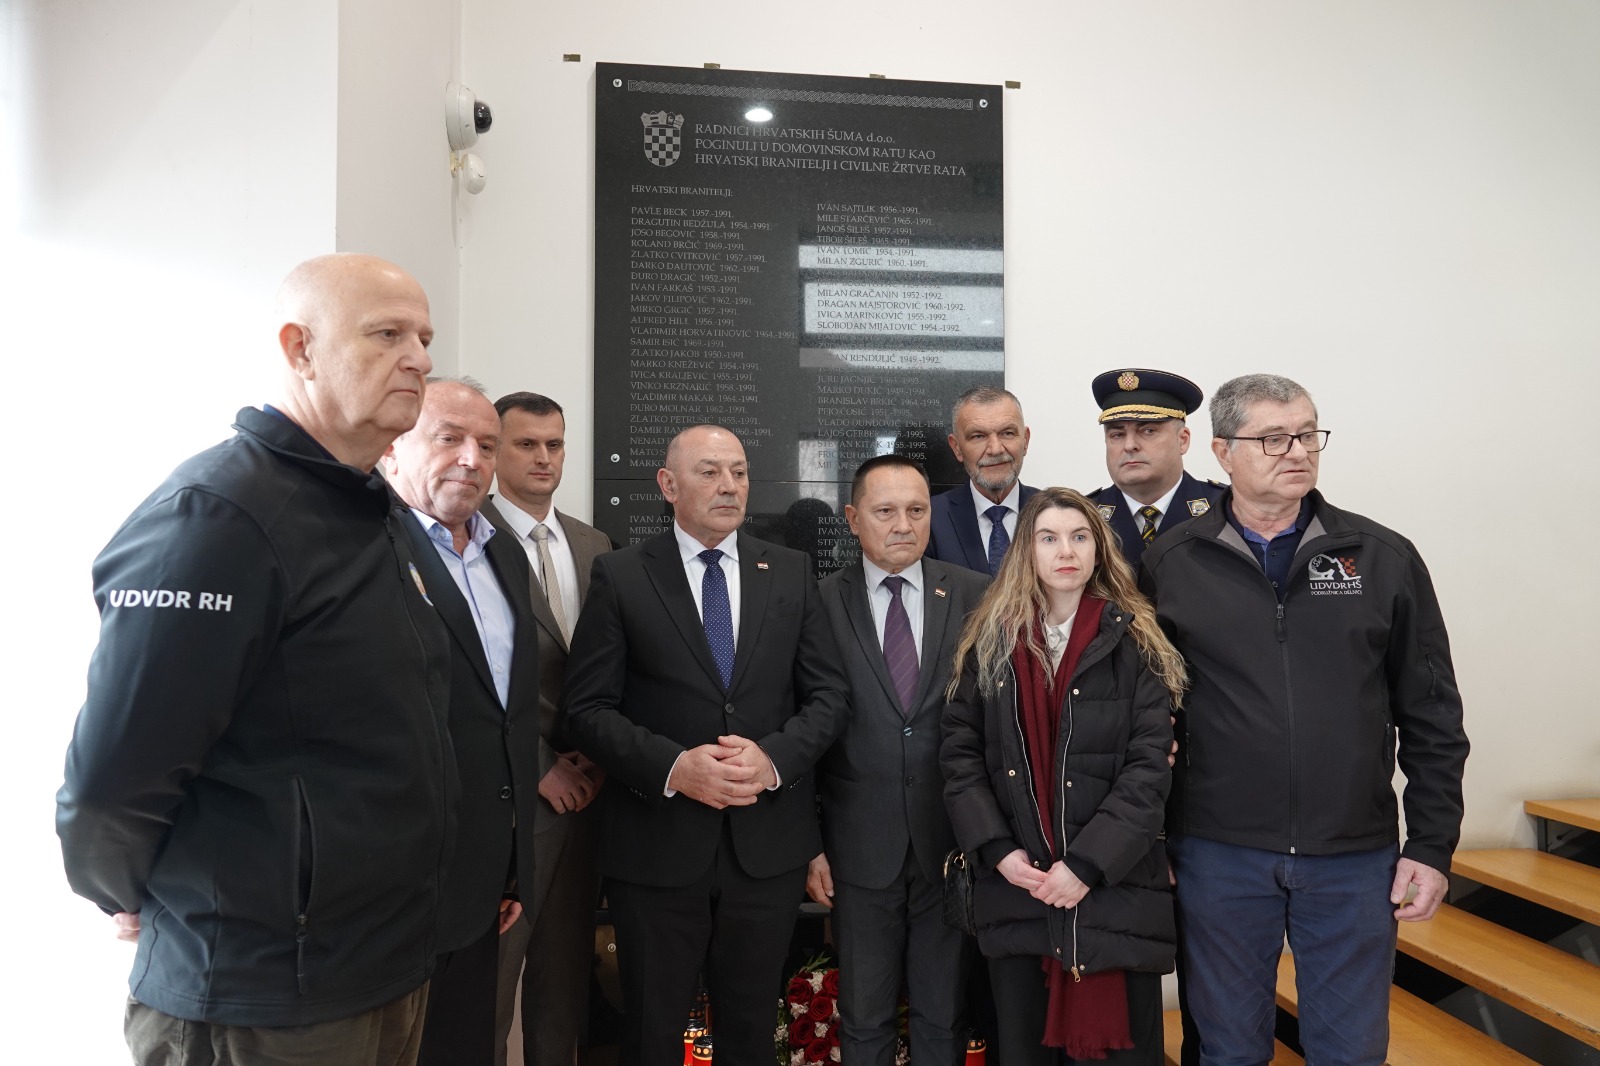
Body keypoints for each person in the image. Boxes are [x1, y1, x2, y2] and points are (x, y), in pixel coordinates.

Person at [56, 254, 454, 1065]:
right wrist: (123, 892)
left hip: (378, 967)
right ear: (300, 348)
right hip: (260, 991)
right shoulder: (220, 516)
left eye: (424, 338)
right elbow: (114, 779)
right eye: (386, 334)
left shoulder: (370, 509)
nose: (418, 358)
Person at [1141, 374, 1469, 1066]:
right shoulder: (1171, 562)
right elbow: (1143, 720)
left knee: (1350, 1052)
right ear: (1223, 452)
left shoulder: (1381, 557)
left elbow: (1433, 713)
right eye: (1273, 438)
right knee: (1228, 1051)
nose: (1297, 451)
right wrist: (1152, 839)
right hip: (1219, 851)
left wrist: (1431, 844)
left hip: (1353, 855)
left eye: (1307, 434)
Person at [562, 424, 850, 1066]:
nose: (729, 486)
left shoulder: (790, 571)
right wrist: (674, 767)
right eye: (710, 472)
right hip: (656, 848)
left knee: (752, 1033)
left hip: (765, 849)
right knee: (653, 1034)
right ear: (668, 485)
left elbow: (829, 698)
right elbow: (586, 710)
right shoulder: (622, 574)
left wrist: (771, 760)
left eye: (739, 472)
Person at [941, 487, 1182, 1065]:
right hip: (1019, 886)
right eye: (1048, 538)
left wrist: (1087, 866)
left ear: (1099, 550)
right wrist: (998, 851)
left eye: (1079, 537)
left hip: (1115, 889)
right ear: (1027, 551)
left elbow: (1150, 768)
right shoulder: (991, 642)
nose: (1065, 552)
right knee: (1026, 1050)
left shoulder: (1137, 641)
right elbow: (960, 756)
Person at [807, 455, 989, 1066]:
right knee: (864, 1017)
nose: (904, 525)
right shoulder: (816, 602)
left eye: (916, 510)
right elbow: (801, 732)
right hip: (856, 848)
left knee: (944, 1015)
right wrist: (810, 845)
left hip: (950, 843)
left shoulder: (973, 593)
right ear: (853, 518)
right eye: (885, 511)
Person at [384, 377, 543, 1066]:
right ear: (392, 448)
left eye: (487, 444)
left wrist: (510, 866)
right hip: (395, 882)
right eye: (449, 438)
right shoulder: (369, 547)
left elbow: (505, 717)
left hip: (483, 882)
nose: (472, 459)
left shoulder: (503, 552)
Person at [482, 390, 612, 1066]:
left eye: (554, 444)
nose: (543, 457)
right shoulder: (465, 536)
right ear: (494, 450)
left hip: (588, 797)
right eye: (526, 444)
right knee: (489, 989)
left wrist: (599, 755)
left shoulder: (593, 544)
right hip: (511, 802)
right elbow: (467, 679)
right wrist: (540, 764)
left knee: (564, 988)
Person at [1085, 368, 1226, 568]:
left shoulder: (1225, 509)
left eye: (1148, 430)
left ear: (1182, 440)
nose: (1129, 445)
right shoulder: (1084, 516)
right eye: (1117, 435)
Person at [928, 386, 1039, 575]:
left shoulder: (1055, 512)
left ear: (1025, 441)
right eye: (978, 436)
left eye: (1007, 433)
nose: (995, 449)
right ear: (957, 448)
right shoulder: (930, 518)